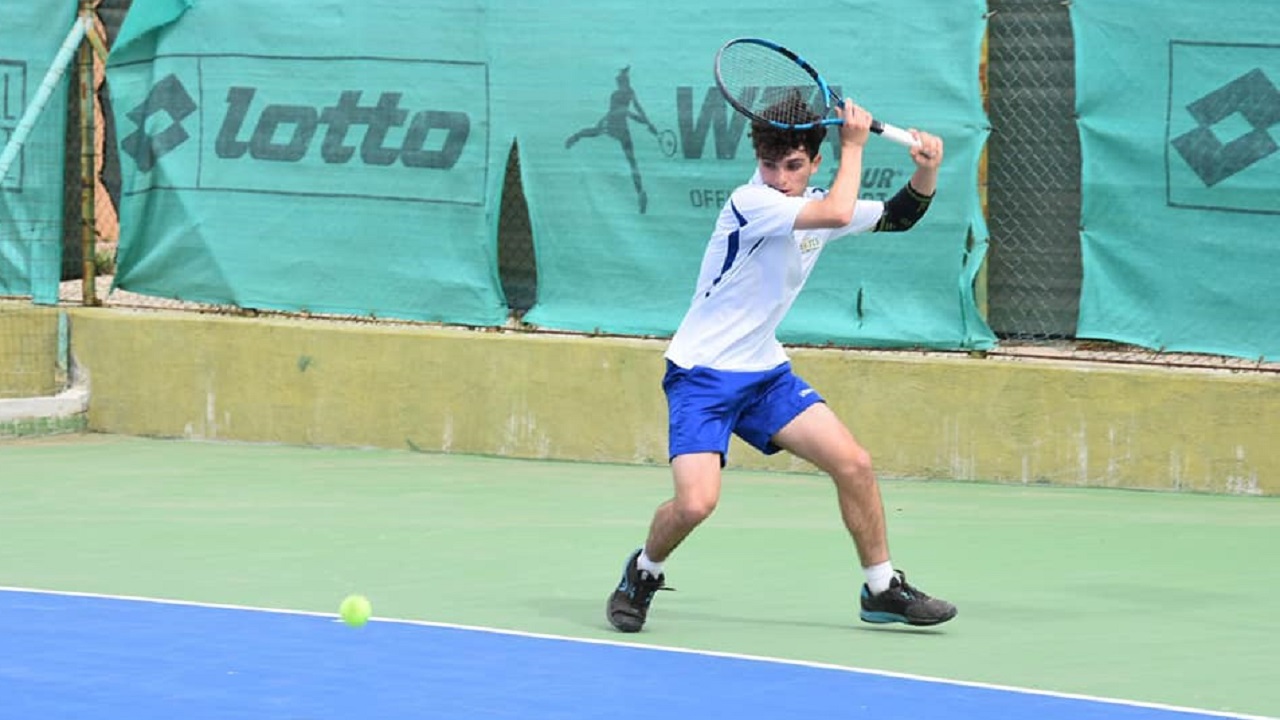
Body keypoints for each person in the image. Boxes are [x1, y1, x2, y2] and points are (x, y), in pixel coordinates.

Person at [606, 94, 957, 633]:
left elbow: (898, 216)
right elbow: (839, 210)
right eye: (770, 164)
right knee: (696, 504)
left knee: (854, 464)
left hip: (764, 374)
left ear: (813, 164)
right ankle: (643, 572)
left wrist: (928, 170)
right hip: (702, 375)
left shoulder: (814, 203)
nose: (778, 177)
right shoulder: (752, 202)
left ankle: (882, 587)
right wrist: (854, 144)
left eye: (792, 166)